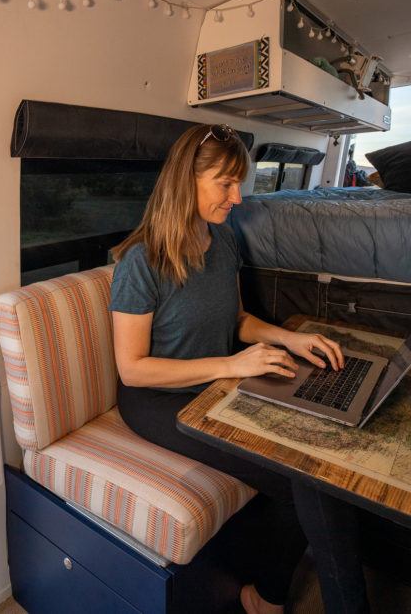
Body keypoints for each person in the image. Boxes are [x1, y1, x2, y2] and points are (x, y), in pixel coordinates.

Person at [109, 123, 369, 614]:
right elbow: (133, 370)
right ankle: (278, 598)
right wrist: (232, 364)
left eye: (239, 184)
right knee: (302, 479)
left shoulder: (222, 240)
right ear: (186, 179)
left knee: (315, 467)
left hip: (215, 383)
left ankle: (265, 595)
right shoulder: (140, 264)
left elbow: (238, 318)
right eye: (225, 184)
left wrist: (290, 336)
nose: (237, 198)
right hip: (158, 399)